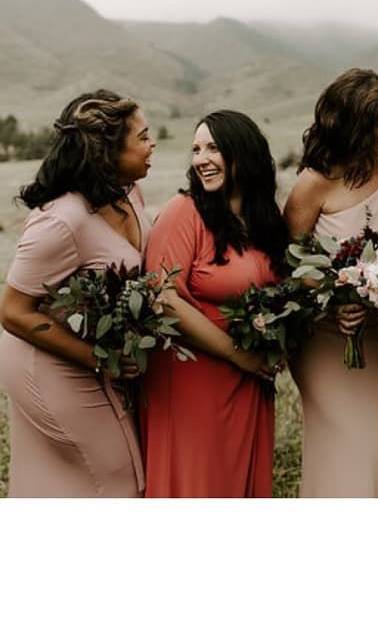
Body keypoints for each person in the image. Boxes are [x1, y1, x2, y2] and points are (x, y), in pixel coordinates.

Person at [0, 90, 154, 497]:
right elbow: (12, 311)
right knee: (119, 473)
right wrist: (103, 361)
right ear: (108, 152)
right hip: (46, 360)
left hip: (96, 357)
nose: (152, 144)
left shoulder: (130, 195)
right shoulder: (62, 221)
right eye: (142, 137)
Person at [140, 110, 287, 498]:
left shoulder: (265, 220)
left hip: (250, 383)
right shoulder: (183, 213)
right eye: (195, 149)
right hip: (194, 381)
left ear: (244, 153)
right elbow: (163, 297)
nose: (201, 158)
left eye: (213, 148)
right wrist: (238, 354)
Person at [284, 68, 378, 497]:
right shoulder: (315, 183)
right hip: (326, 340)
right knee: (349, 449)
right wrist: (332, 298)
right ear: (355, 128)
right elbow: (289, 263)